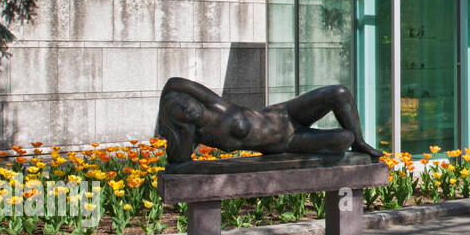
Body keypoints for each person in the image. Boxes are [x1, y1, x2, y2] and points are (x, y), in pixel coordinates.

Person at [156, 77, 382, 166]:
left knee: (339, 92)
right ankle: (354, 140)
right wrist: (172, 130)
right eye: (180, 111)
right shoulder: (203, 135)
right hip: (287, 141)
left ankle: (360, 142)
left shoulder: (216, 105)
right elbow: (178, 160)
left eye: (185, 102)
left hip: (284, 113)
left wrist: (163, 106)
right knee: (344, 138)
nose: (187, 107)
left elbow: (174, 82)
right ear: (182, 122)